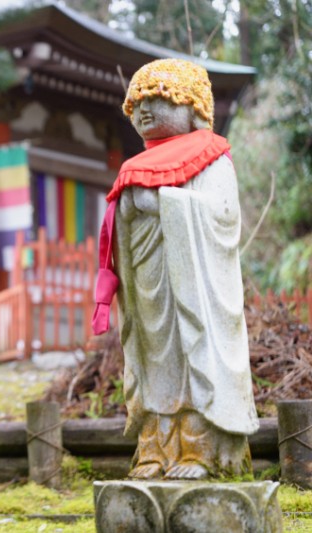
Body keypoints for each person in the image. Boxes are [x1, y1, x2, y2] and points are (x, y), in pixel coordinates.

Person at [94, 58, 259, 480]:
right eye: (137, 102)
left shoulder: (211, 157)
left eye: (158, 99)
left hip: (195, 288)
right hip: (148, 283)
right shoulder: (133, 168)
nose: (145, 109)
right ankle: (154, 447)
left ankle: (199, 450)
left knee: (192, 353)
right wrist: (132, 209)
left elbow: (222, 218)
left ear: (193, 108)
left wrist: (167, 204)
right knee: (152, 357)